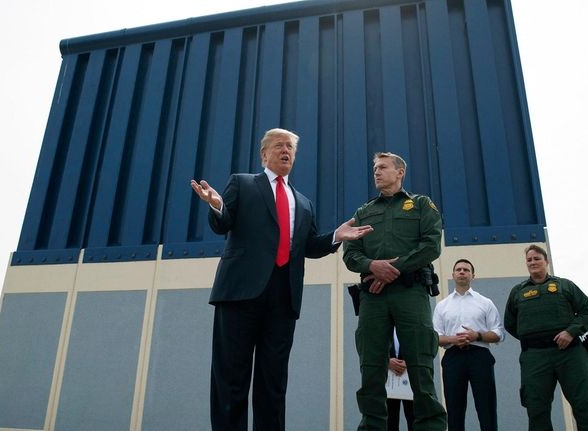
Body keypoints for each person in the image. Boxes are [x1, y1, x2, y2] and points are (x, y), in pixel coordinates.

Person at [191, 128, 373, 431]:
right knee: (231, 378)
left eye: (290, 147)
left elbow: (309, 247)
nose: (285, 151)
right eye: (278, 146)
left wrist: (336, 237)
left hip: (283, 298)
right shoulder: (242, 183)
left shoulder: (303, 202)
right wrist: (216, 204)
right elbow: (223, 224)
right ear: (264, 154)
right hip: (240, 294)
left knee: (273, 382)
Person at [343, 152, 447, 431]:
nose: (376, 172)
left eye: (383, 167)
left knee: (421, 365)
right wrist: (372, 266)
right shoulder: (364, 212)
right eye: (375, 168)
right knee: (371, 367)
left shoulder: (421, 204)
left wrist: (392, 270)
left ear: (400, 172)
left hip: (410, 292)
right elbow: (350, 254)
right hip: (373, 297)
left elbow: (430, 246)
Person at [504, 244, 588, 431]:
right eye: (529, 260)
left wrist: (571, 332)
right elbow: (510, 323)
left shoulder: (565, 285)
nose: (533, 262)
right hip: (535, 357)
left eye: (537, 258)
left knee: (584, 403)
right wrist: (534, 338)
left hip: (570, 354)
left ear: (546, 261)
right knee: (536, 408)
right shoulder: (518, 292)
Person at [432, 259, 503, 431]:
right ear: (453, 275)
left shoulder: (485, 303)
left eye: (466, 269)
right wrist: (453, 340)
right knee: (454, 409)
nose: (462, 272)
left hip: (480, 356)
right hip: (453, 358)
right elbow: (434, 337)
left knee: (486, 407)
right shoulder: (442, 306)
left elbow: (499, 334)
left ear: (473, 275)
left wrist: (476, 335)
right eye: (458, 269)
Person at [387, 329, 415, 431]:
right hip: (386, 379)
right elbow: (370, 346)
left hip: (412, 376)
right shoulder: (381, 320)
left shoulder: (412, 318)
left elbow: (424, 343)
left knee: (414, 418)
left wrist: (411, 362)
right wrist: (386, 361)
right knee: (389, 420)